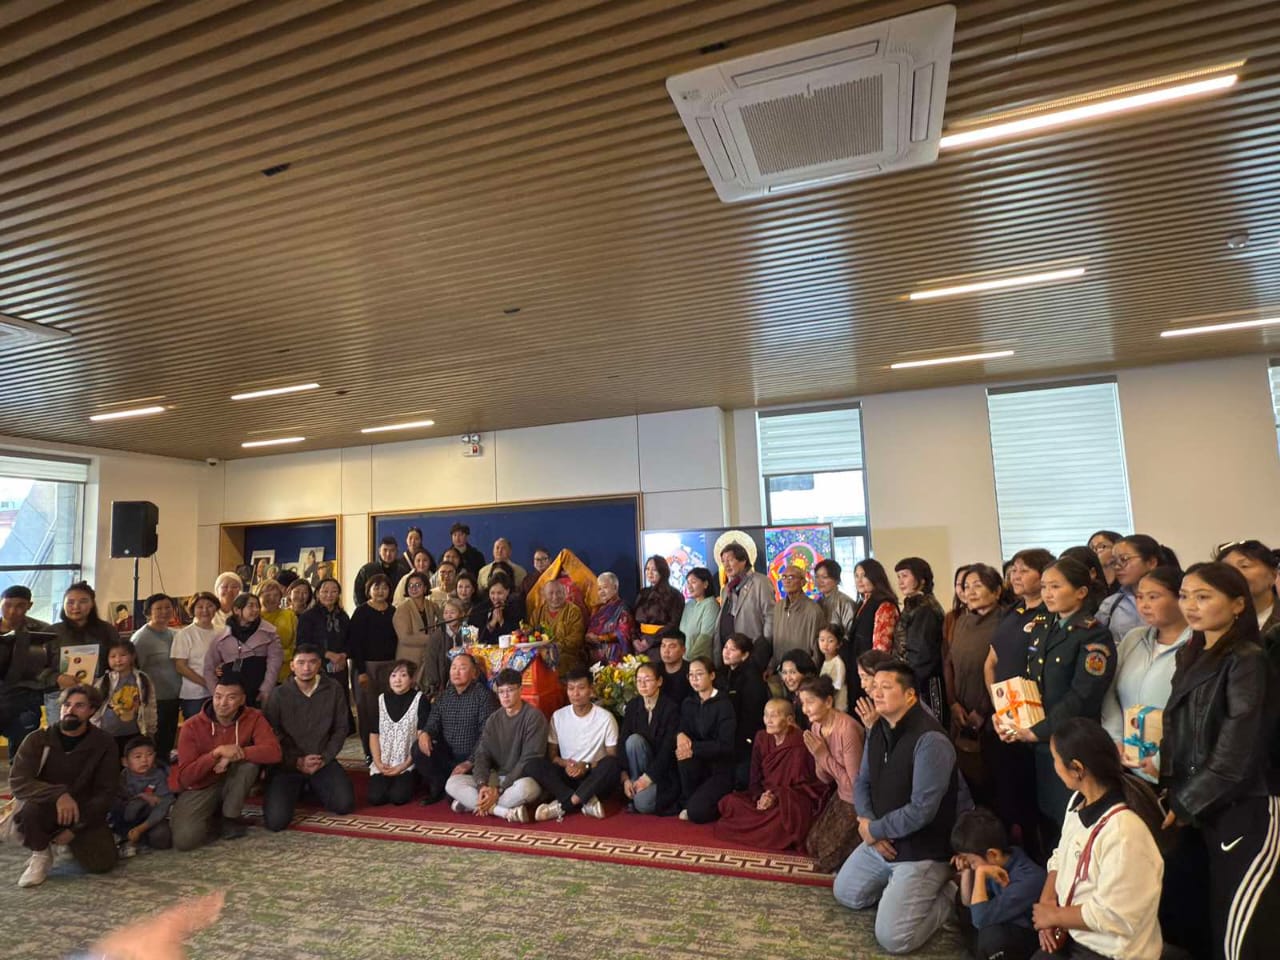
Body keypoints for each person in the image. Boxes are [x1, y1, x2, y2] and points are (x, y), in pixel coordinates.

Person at [1159, 561, 1279, 960]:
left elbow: (1236, 754)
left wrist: (1185, 803)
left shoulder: (1247, 659)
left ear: (1238, 604)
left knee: (1239, 936)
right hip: (1198, 807)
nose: (1190, 606)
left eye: (1203, 596)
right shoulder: (1191, 654)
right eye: (1185, 596)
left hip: (1243, 808)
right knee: (1197, 924)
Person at [832, 660, 961, 956]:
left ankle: (948, 893)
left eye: (886, 687)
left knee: (894, 939)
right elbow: (863, 781)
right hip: (880, 840)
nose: (876, 693)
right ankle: (899, 892)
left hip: (921, 849)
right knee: (846, 893)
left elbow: (922, 810)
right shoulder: (878, 727)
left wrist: (875, 830)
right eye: (874, 686)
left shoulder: (931, 740)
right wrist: (866, 823)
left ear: (910, 695)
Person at [997, 558, 1115, 845]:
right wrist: (1010, 717)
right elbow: (1031, 683)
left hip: (1071, 741)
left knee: (1070, 819)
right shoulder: (1044, 625)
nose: (1047, 594)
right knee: (1046, 818)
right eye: (1045, 587)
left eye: (1056, 587)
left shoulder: (1093, 633)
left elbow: (1082, 696)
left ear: (1081, 592)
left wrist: (1038, 730)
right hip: (1039, 741)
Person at [1033, 717, 1164, 960]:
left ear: (1077, 768)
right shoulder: (1077, 803)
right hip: (1077, 937)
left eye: (1055, 759)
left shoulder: (1124, 831)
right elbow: (1062, 855)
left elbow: (1115, 914)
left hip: (1114, 952)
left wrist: (1055, 916)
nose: (1054, 767)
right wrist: (1048, 901)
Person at [10, 684, 119, 887]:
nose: (70, 710)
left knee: (102, 863)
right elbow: (19, 781)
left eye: (79, 706)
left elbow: (106, 792)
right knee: (30, 810)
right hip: (44, 806)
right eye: (66, 705)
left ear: (92, 710)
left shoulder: (104, 743)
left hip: (83, 810)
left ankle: (67, 842)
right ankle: (41, 854)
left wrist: (76, 828)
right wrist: (58, 795)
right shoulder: (37, 739)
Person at [984, 548, 1054, 861]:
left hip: (1039, 722)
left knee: (1041, 805)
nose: (1016, 575)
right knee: (1010, 798)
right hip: (1007, 717)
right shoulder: (1012, 612)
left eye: (1024, 570)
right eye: (1013, 569)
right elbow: (991, 662)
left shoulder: (1052, 614)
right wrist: (999, 706)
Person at [170, 671, 282, 850]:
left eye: (231, 698)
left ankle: (230, 817)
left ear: (242, 699)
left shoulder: (254, 717)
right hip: (202, 784)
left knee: (250, 764)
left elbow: (274, 752)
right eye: (218, 696)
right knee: (185, 841)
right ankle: (213, 814)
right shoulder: (191, 726)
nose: (222, 703)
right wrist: (216, 754)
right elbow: (186, 777)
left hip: (232, 778)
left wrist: (237, 753)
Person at [1099, 566, 1188, 784]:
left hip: (1177, 763)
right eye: (1139, 597)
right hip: (1129, 760)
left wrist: (1161, 759)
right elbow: (1110, 692)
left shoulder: (1197, 644)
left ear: (1180, 598)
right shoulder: (1134, 638)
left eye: (1153, 597)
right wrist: (1115, 738)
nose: (1144, 605)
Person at [715, 697, 827, 851]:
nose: (768, 720)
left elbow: (807, 787)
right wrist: (759, 797)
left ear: (789, 720)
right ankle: (763, 829)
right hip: (765, 796)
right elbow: (755, 778)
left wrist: (776, 797)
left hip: (787, 800)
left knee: (787, 817)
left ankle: (758, 830)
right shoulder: (761, 737)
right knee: (729, 802)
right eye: (766, 715)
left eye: (774, 716)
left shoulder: (800, 743)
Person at [262, 644, 356, 830]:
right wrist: (297, 761)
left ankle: (310, 786)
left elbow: (341, 728)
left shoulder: (333, 688)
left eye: (312, 662)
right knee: (276, 822)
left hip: (321, 761)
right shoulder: (279, 694)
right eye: (301, 663)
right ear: (292, 666)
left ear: (319, 664)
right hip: (288, 764)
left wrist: (325, 758)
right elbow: (272, 733)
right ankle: (300, 788)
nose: (306, 668)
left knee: (343, 804)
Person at [446, 668, 547, 822]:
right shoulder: (494, 719)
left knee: (528, 789)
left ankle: (472, 805)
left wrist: (499, 790)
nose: (505, 696)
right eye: (501, 691)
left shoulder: (533, 717)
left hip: (520, 779)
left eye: (510, 690)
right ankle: (500, 811)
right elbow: (482, 754)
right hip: (495, 778)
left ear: (520, 690)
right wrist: (482, 785)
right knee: (452, 783)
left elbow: (528, 760)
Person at [950, 808, 1046, 960]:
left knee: (992, 935)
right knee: (964, 911)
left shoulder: (1028, 878)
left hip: (1027, 938)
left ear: (992, 854)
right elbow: (968, 903)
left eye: (972, 861)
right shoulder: (995, 863)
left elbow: (980, 919)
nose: (973, 866)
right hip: (1001, 927)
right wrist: (967, 871)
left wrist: (980, 872)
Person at [947, 563, 1005, 803]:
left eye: (977, 586)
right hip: (961, 712)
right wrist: (953, 703)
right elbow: (950, 663)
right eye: (966, 586)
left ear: (997, 591)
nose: (969, 592)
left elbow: (1003, 671)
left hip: (992, 715)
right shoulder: (962, 621)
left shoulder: (1005, 621)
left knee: (995, 782)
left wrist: (983, 710)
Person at [530, 668, 621, 820]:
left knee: (612, 764)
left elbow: (612, 755)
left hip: (593, 775)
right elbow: (552, 755)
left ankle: (565, 805)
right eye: (571, 688)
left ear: (591, 690)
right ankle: (585, 801)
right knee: (533, 764)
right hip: (568, 774)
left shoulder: (606, 718)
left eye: (581, 688)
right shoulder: (558, 716)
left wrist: (586, 766)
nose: (575, 694)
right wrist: (566, 764)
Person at [798, 674, 866, 874]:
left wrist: (823, 755)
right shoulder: (816, 726)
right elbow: (825, 778)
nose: (805, 709)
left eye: (810, 702)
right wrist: (819, 758)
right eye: (802, 703)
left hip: (859, 800)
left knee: (827, 859)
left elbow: (855, 786)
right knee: (812, 845)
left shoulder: (847, 730)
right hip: (840, 793)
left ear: (828, 701)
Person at [412, 652, 498, 805]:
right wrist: (426, 733)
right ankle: (438, 785)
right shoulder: (444, 696)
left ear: (474, 673)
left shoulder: (484, 696)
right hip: (449, 756)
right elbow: (433, 722)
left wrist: (469, 762)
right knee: (418, 748)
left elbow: (486, 735)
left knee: (454, 795)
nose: (456, 672)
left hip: (474, 759)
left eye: (462, 668)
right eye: (453, 668)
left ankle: (458, 789)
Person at [41, 580, 116, 723]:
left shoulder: (107, 631)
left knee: (96, 734)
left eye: (83, 601)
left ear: (92, 604)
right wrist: (57, 678)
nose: (76, 607)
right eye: (70, 602)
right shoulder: (50, 633)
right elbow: (35, 668)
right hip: (60, 696)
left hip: (97, 695)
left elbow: (118, 660)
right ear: (63, 604)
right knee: (63, 734)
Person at [676, 656, 736, 823]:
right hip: (697, 764)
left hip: (720, 768)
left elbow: (726, 745)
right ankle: (689, 800)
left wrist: (693, 748)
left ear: (712, 675)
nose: (694, 679)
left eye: (699, 674)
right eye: (691, 675)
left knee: (698, 813)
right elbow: (683, 727)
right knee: (682, 753)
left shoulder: (724, 704)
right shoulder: (689, 702)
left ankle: (723, 801)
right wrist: (680, 734)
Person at [350, 572, 400, 763]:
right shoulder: (361, 612)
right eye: (376, 587)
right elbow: (355, 644)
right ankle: (369, 752)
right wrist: (361, 671)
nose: (380, 591)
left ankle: (387, 751)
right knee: (368, 712)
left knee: (388, 710)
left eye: (384, 587)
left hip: (389, 668)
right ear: (369, 590)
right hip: (366, 668)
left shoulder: (393, 611)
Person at [202, 591, 283, 710]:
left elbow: (275, 663)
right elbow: (208, 667)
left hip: (258, 688)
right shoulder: (222, 635)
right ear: (237, 610)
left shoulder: (269, 632)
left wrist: (266, 689)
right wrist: (217, 693)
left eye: (257, 606)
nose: (255, 610)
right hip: (231, 691)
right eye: (251, 606)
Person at [619, 661, 680, 815]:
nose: (642, 684)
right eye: (639, 680)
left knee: (642, 804)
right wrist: (626, 778)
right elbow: (622, 741)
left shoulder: (670, 708)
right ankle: (634, 785)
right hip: (636, 772)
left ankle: (640, 793)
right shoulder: (633, 705)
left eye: (647, 680)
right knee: (633, 741)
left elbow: (667, 750)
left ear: (659, 681)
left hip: (661, 772)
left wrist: (648, 778)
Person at [1096, 535, 1179, 643]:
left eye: (1124, 559)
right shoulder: (1112, 603)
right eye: (1114, 562)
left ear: (1151, 562)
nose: (1117, 567)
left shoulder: (1176, 595)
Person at [0, 586, 51, 761]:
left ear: (29, 605)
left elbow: (50, 665)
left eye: (20, 606)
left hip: (25, 700)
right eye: (7, 605)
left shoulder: (42, 631)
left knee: (22, 756)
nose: (12, 611)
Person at [367, 660, 429, 806]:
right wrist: (378, 763)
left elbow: (421, 737)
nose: (397, 680)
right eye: (393, 675)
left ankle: (415, 779)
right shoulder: (381, 700)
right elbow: (374, 735)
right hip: (384, 762)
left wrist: (403, 766)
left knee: (398, 798)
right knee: (375, 798)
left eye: (403, 675)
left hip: (408, 762)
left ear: (411, 679)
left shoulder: (420, 699)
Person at [892, 557, 946, 720]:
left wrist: (906, 682)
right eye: (899, 577)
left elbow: (921, 653)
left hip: (923, 683)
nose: (901, 582)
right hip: (912, 678)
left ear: (921, 580)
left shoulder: (925, 608)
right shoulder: (913, 604)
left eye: (905, 576)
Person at [130, 593, 181, 758]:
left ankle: (164, 767)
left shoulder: (174, 634)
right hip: (154, 699)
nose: (164, 611)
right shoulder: (141, 639)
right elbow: (134, 670)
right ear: (148, 612)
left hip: (173, 696)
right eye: (158, 609)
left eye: (168, 607)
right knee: (155, 742)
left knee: (169, 739)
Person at [718, 632, 769, 790]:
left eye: (732, 649)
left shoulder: (751, 678)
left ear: (745, 655)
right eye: (725, 647)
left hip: (746, 738)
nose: (726, 652)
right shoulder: (726, 672)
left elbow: (751, 715)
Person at [91, 638, 157, 756]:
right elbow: (94, 708)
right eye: (113, 656)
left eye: (123, 655)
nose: (118, 660)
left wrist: (151, 729)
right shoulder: (103, 681)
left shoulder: (142, 679)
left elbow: (150, 705)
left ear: (132, 656)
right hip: (107, 733)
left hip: (134, 732)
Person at [110, 735, 174, 856]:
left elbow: (164, 803)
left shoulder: (159, 775)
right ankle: (128, 839)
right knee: (134, 807)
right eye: (138, 757)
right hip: (126, 819)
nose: (144, 760)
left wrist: (141, 828)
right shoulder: (121, 779)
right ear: (125, 762)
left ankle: (139, 838)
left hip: (150, 820)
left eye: (149, 755)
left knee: (162, 838)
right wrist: (141, 796)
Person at [714, 543, 773, 667]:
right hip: (729, 653)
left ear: (743, 561)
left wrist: (764, 646)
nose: (726, 565)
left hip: (752, 650)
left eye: (730, 560)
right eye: (723, 561)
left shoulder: (760, 582)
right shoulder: (726, 589)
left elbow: (770, 615)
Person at [296, 577, 351, 707]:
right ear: (317, 594)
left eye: (334, 591)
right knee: (320, 703)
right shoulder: (308, 616)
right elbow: (302, 643)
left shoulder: (343, 616)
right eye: (325, 591)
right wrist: (327, 654)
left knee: (341, 702)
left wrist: (343, 655)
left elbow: (350, 640)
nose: (329, 595)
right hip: (317, 666)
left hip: (340, 666)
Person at [1214, 538, 1280, 635]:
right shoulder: (1213, 620)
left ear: (1273, 575)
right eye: (1227, 568)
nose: (1234, 573)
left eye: (1244, 566)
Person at [171, 592, 219, 722]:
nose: (205, 610)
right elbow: (180, 667)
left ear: (216, 608)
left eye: (210, 606)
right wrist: (207, 683)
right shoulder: (184, 634)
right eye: (200, 607)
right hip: (195, 695)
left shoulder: (222, 631)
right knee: (197, 730)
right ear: (192, 610)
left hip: (220, 693)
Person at [770, 564, 825, 673]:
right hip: (781, 671)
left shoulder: (813, 610)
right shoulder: (778, 607)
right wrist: (771, 666)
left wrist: (809, 673)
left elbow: (817, 650)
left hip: (802, 673)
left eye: (791, 577)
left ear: (802, 582)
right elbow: (775, 643)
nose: (787, 581)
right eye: (784, 577)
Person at [632, 555, 685, 657]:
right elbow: (634, 621)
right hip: (640, 645)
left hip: (661, 645)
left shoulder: (674, 595)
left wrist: (650, 641)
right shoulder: (642, 593)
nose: (649, 573)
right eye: (647, 569)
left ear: (663, 571)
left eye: (654, 570)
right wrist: (635, 639)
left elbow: (674, 623)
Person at [849, 559, 899, 661]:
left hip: (873, 666)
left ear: (875, 577)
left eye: (864, 576)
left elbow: (881, 650)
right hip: (859, 664)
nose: (859, 580)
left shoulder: (885, 606)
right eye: (856, 576)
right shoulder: (862, 603)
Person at [392, 571, 439, 672]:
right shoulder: (402, 609)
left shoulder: (432, 605)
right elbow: (405, 638)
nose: (414, 588)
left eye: (418, 585)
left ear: (425, 588)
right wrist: (432, 638)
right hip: (409, 658)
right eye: (410, 585)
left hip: (428, 657)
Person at [586, 572, 635, 665]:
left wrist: (599, 638)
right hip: (594, 660)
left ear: (615, 587)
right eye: (599, 589)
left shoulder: (623, 608)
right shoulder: (598, 609)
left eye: (605, 587)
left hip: (615, 659)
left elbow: (624, 633)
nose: (602, 592)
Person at [539, 579, 586, 675]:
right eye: (551, 593)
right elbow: (532, 636)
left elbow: (576, 639)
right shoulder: (538, 613)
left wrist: (555, 647)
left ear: (565, 593)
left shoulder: (573, 611)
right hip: (542, 653)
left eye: (559, 592)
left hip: (567, 656)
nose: (555, 597)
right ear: (544, 595)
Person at [256, 579, 297, 682]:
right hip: (258, 673)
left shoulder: (290, 616)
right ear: (258, 596)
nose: (272, 598)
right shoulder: (252, 617)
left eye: (276, 595)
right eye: (268, 595)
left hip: (285, 674)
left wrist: (281, 655)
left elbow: (297, 643)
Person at [469, 573, 525, 645]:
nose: (496, 597)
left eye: (499, 593)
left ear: (507, 591)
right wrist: (492, 622)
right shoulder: (480, 609)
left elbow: (518, 635)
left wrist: (501, 621)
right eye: (492, 593)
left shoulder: (516, 607)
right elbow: (476, 639)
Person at [354, 536, 409, 606]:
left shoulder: (403, 572)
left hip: (396, 610)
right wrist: (365, 609)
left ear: (397, 552)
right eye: (385, 550)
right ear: (379, 551)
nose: (388, 554)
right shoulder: (366, 570)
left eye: (392, 550)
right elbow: (358, 594)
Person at [678, 566, 718, 662]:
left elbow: (705, 638)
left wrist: (689, 658)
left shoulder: (710, 604)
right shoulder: (689, 605)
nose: (689, 586)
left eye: (693, 582)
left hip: (700, 661)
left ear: (705, 584)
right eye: (688, 583)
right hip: (683, 659)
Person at [777, 649, 819, 730]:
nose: (788, 678)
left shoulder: (814, 699)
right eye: (784, 673)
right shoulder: (793, 695)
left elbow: (812, 734)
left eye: (793, 672)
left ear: (806, 673)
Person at [815, 558, 858, 636]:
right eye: (817, 577)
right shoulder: (818, 602)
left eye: (824, 577)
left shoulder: (845, 603)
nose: (819, 581)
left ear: (836, 580)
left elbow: (850, 633)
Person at [655, 627, 692, 706]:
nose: (666, 651)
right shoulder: (655, 670)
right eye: (663, 646)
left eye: (671, 646)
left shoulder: (691, 672)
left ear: (683, 650)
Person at [817, 624, 849, 712]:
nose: (825, 644)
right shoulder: (824, 661)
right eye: (822, 640)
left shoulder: (838, 663)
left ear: (838, 644)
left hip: (838, 707)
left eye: (830, 641)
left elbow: (836, 688)